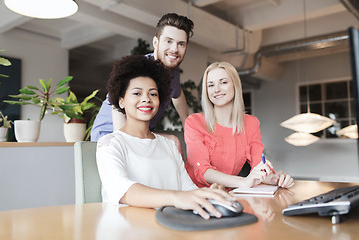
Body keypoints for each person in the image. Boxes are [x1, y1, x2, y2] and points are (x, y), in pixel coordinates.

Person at [96, 55, 235, 220]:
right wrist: (176, 198)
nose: (146, 99)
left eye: (153, 94)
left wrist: (208, 193)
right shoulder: (109, 144)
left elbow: (187, 189)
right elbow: (124, 191)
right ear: (121, 101)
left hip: (173, 228)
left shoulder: (169, 145)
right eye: (137, 93)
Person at [184, 61, 294, 189]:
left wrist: (277, 179)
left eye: (223, 82)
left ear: (235, 85)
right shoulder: (194, 122)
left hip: (228, 195)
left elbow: (259, 165)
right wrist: (243, 182)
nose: (217, 89)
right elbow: (201, 170)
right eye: (210, 85)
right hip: (194, 193)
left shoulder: (251, 123)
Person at [91, 13, 193, 141]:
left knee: (174, 141)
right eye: (168, 41)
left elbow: (177, 93)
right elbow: (116, 104)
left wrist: (187, 125)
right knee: (172, 141)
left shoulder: (173, 71)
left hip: (140, 133)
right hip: (109, 135)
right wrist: (125, 142)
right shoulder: (139, 68)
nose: (174, 49)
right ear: (155, 42)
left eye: (181, 44)